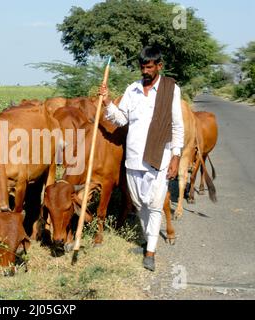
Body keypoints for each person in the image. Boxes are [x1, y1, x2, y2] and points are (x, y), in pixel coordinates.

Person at [99, 46, 184, 271]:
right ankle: (149, 237)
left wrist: (176, 156)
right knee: (139, 203)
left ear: (159, 66)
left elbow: (177, 125)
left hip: (159, 157)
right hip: (134, 158)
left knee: (155, 204)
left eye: (149, 67)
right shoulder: (132, 89)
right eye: (142, 67)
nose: (145, 71)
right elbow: (121, 119)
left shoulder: (170, 90)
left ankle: (150, 252)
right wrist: (108, 102)